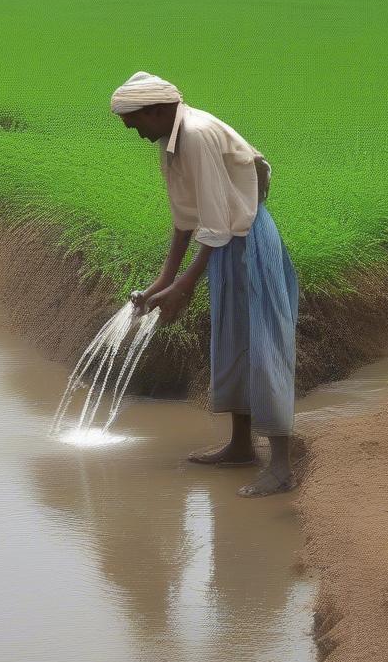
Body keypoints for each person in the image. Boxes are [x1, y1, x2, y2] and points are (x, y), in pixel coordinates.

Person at [111, 72, 299, 497]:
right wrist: (164, 279)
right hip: (224, 245)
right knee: (231, 341)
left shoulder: (195, 134)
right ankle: (240, 446)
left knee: (264, 344)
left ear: (156, 111)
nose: (135, 133)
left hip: (247, 241)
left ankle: (282, 466)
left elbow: (216, 222)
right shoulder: (171, 140)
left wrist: (185, 285)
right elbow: (186, 216)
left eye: (135, 123)